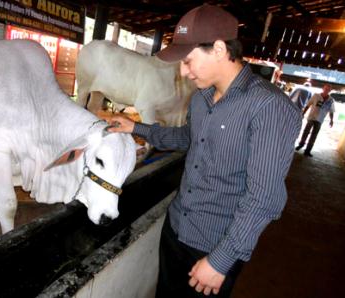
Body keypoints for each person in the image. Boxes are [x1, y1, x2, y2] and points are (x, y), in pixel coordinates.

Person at [108, 4, 302, 297]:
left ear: (220, 49)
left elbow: (264, 198)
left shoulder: (269, 107)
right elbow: (188, 137)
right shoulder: (201, 100)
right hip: (175, 230)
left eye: (188, 61)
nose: (184, 72)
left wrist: (221, 261)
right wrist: (136, 128)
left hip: (214, 247)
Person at [295, 83, 335, 157]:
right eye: (326, 88)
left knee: (314, 135)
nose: (327, 90)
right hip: (312, 117)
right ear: (323, 88)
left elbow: (331, 111)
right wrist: (303, 113)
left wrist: (331, 120)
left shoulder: (331, 100)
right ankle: (301, 144)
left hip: (320, 119)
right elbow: (308, 104)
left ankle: (308, 150)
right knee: (306, 131)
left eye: (328, 89)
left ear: (330, 90)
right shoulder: (316, 96)